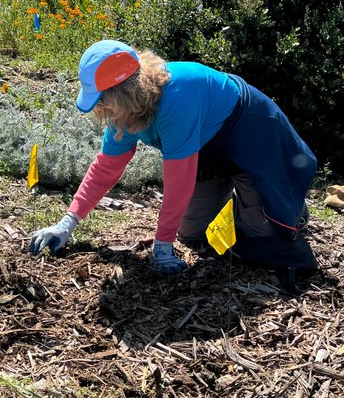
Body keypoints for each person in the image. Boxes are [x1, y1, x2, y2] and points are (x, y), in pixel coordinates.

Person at [29, 40, 317, 285]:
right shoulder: (123, 113)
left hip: (247, 131)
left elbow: (179, 183)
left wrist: (162, 245)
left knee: (264, 232)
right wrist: (67, 223)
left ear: (125, 92)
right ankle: (245, 202)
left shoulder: (176, 100)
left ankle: (291, 208)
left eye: (103, 101)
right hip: (205, 144)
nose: (100, 111)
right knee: (194, 234)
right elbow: (106, 167)